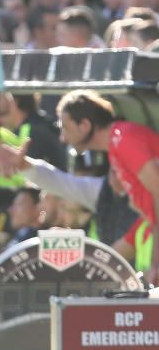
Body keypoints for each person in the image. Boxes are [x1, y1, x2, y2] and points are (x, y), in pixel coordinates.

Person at [55, 90, 159, 285]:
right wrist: (95, 264)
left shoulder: (124, 139)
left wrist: (156, 263)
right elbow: (148, 218)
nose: (62, 138)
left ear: (85, 125)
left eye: (65, 128)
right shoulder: (116, 148)